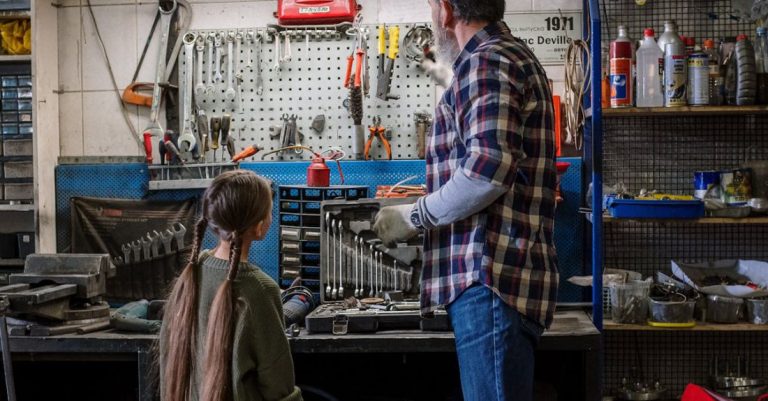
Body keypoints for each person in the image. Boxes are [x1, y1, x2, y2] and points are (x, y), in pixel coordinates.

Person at [373, 1, 559, 400]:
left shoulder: (487, 63)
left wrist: (414, 215)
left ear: (445, 9)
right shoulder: (505, 58)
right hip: (498, 284)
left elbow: (485, 172)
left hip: (489, 282)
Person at [158, 170, 302, 401]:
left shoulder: (191, 273)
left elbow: (167, 362)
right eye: (270, 211)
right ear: (258, 227)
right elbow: (279, 388)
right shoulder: (259, 288)